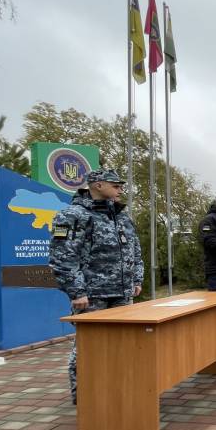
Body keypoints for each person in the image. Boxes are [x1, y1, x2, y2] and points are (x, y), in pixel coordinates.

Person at [49, 169, 144, 405]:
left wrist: (136, 279)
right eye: (116, 184)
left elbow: (135, 250)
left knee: (122, 345)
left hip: (121, 293)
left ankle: (114, 391)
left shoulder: (121, 216)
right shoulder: (72, 215)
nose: (121, 189)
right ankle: (84, 399)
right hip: (92, 295)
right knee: (88, 348)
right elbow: (62, 257)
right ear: (98, 185)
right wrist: (76, 291)